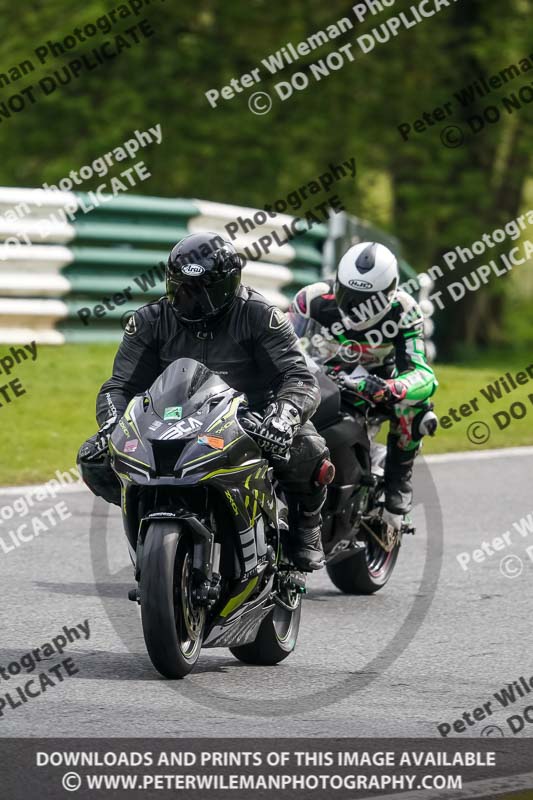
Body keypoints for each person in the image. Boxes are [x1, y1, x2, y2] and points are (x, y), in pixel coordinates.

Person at [77, 232, 331, 571]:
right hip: (172, 417)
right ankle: (147, 521)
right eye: (181, 288)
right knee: (93, 459)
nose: (190, 299)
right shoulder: (149, 321)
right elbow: (119, 386)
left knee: (310, 450)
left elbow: (298, 378)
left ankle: (306, 526)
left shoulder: (260, 316)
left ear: (229, 284)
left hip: (251, 416)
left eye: (202, 290)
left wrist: (282, 417)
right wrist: (112, 425)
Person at [290, 241, 438, 528]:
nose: (356, 307)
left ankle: (398, 479)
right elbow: (283, 346)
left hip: (378, 384)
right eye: (348, 295)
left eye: (368, 299)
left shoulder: (405, 310)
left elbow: (422, 373)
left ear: (390, 292)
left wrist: (391, 388)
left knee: (419, 409)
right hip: (322, 377)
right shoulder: (311, 299)